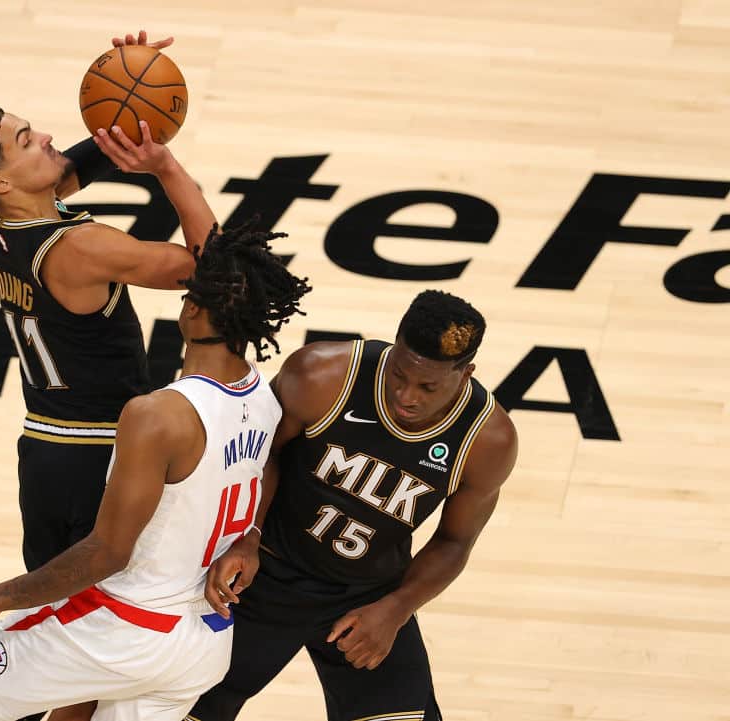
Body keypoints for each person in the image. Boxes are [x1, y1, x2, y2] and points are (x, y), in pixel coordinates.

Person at [0, 224, 312, 721]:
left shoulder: (157, 415)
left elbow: (107, 552)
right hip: (200, 644)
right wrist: (249, 537)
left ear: (191, 309)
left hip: (122, 628)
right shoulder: (264, 398)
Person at [0, 32, 216, 577]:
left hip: (46, 452)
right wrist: (167, 169)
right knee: (103, 627)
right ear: (1, 179)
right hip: (100, 457)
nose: (49, 137)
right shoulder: (81, 249)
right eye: (28, 140)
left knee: (55, 622)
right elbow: (213, 268)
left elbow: (75, 166)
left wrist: (126, 86)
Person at [189, 289, 519, 721]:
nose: (406, 395)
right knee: (176, 707)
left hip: (367, 595)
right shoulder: (323, 375)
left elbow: (454, 543)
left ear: (466, 373)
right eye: (399, 375)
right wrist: (246, 536)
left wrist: (397, 609)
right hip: (264, 574)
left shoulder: (488, 440)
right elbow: (258, 455)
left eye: (427, 386)